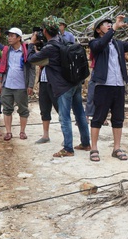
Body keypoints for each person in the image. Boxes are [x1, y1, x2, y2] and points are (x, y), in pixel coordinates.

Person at [28, 16, 91, 157]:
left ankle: (68, 148)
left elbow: (31, 59)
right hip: (74, 82)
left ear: (44, 30)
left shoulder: (50, 47)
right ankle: (86, 143)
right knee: (80, 113)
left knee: (65, 117)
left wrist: (32, 44)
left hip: (63, 86)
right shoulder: (65, 40)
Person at [88, 15, 128, 161]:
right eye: (105, 24)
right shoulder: (94, 42)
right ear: (98, 30)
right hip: (103, 85)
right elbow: (100, 45)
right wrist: (115, 28)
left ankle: (116, 148)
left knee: (118, 118)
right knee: (98, 117)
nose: (109, 25)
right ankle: (94, 148)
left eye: (111, 24)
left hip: (118, 85)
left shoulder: (118, 44)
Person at [0, 27, 35, 141]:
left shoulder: (26, 51)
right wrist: (0, 83)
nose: (9, 38)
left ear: (19, 38)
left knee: (23, 109)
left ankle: (22, 132)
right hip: (7, 84)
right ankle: (8, 132)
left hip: (21, 86)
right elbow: (3, 68)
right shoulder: (6, 51)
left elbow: (32, 70)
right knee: (7, 109)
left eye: (12, 36)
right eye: (8, 36)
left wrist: (30, 85)